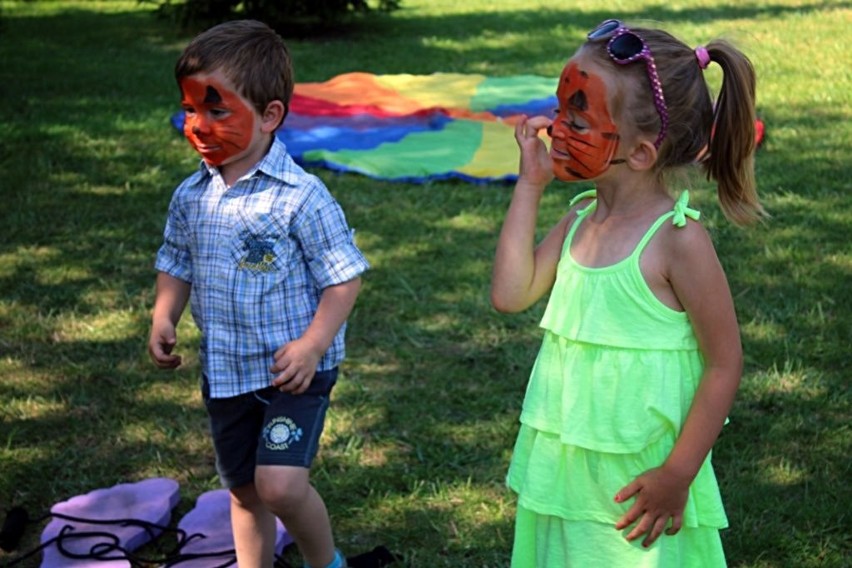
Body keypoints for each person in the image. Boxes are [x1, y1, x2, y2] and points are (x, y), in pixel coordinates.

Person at [491, 18, 764, 567]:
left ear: (640, 153)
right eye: (560, 105)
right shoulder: (578, 221)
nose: (554, 126)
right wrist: (529, 186)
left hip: (641, 491)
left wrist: (677, 474)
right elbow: (511, 293)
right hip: (571, 482)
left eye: (577, 115)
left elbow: (724, 364)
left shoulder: (678, 242)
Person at [148, 20, 369, 568]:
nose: (198, 125)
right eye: (190, 109)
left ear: (270, 115)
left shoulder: (302, 196)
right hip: (225, 371)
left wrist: (313, 346)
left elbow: (344, 277)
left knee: (280, 486)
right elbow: (176, 261)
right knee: (245, 492)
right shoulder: (191, 194)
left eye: (217, 110)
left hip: (292, 370)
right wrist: (163, 313)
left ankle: (327, 563)